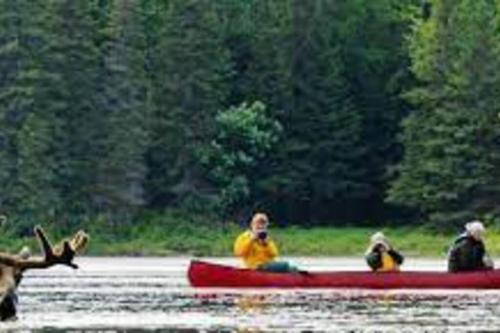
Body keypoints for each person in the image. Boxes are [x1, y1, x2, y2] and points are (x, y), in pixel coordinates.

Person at [233, 212, 299, 273]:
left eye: (263, 224)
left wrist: (266, 244)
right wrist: (252, 239)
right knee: (285, 265)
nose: (260, 226)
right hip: (255, 267)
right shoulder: (244, 237)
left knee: (293, 268)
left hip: (268, 267)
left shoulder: (265, 238)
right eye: (258, 223)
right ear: (252, 224)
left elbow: (274, 254)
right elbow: (239, 252)